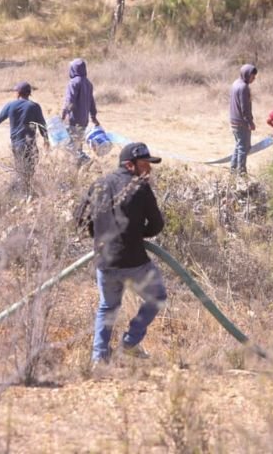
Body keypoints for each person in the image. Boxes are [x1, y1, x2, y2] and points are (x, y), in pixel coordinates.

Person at [75, 142, 167, 364]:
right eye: (144, 164)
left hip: (104, 261)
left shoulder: (98, 184)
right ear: (130, 165)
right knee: (157, 297)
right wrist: (137, 234)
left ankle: (98, 359)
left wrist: (99, 234)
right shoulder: (141, 187)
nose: (149, 169)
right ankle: (129, 343)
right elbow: (157, 224)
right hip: (134, 262)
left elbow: (79, 219)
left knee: (107, 307)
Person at [0, 82, 48, 192]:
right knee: (29, 169)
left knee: (20, 168)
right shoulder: (34, 106)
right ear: (29, 93)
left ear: (18, 93)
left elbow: (0, 117)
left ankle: (21, 190)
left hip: (16, 144)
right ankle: (24, 191)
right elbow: (42, 124)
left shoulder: (11, 105)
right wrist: (46, 139)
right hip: (30, 144)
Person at [61, 58, 99, 154]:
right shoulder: (88, 83)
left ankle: (79, 160)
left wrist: (64, 115)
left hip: (73, 120)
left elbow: (69, 101)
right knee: (78, 145)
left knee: (70, 148)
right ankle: (79, 161)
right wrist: (93, 117)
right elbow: (92, 102)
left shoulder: (73, 83)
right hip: (84, 120)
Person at [229, 64, 257, 175]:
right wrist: (250, 122)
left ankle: (233, 170)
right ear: (246, 75)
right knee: (243, 148)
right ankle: (241, 172)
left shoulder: (235, 83)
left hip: (234, 121)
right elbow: (244, 108)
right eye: (252, 76)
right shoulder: (243, 87)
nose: (254, 79)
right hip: (241, 122)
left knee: (239, 146)